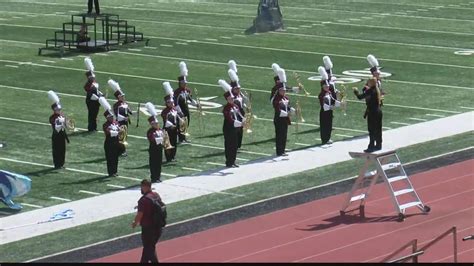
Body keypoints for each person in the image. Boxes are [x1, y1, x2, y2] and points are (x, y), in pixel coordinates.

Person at [132, 179, 165, 263]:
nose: (141, 189)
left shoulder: (143, 200)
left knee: (149, 248)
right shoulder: (156, 195)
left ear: (145, 187)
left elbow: (140, 214)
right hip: (158, 226)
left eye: (141, 187)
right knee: (149, 247)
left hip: (148, 228)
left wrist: (135, 223)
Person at [353, 77, 383, 153]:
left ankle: (371, 146)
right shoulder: (377, 89)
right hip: (378, 111)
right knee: (378, 129)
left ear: (371, 83)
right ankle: (378, 145)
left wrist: (356, 91)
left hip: (372, 112)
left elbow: (360, 97)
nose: (367, 83)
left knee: (371, 130)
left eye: (368, 82)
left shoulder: (370, 90)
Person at [173, 61, 198, 143]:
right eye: (183, 83)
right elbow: (175, 102)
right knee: (181, 124)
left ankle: (184, 138)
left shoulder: (187, 90)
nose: (184, 84)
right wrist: (179, 112)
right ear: (180, 83)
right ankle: (181, 138)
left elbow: (190, 99)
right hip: (180, 109)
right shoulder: (177, 92)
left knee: (186, 123)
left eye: (185, 83)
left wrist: (196, 104)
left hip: (186, 108)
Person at [220, 79, 242, 168]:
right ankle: (229, 162)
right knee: (229, 145)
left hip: (235, 128)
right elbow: (229, 119)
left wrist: (244, 120)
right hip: (228, 128)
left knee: (235, 145)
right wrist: (239, 123)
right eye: (230, 99)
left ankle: (233, 161)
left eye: (232, 98)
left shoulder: (235, 106)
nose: (232, 100)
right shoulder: (226, 108)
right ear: (227, 99)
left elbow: (240, 115)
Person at [272, 68, 294, 157]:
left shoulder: (286, 98)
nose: (284, 92)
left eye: (284, 90)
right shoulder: (276, 99)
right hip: (279, 119)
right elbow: (278, 110)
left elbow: (287, 107)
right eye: (282, 90)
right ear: (279, 91)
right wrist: (287, 113)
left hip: (285, 119)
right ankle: (279, 151)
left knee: (284, 135)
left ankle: (283, 150)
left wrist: (292, 110)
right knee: (279, 135)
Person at [110, 79, 132, 157]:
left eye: (123, 96)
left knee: (125, 136)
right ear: (118, 97)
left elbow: (128, 110)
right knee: (120, 136)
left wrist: (133, 113)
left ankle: (123, 150)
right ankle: (120, 150)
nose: (123, 97)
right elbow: (117, 115)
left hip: (125, 122)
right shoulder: (116, 105)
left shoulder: (125, 103)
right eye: (122, 96)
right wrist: (124, 118)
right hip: (120, 122)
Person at [318, 66, 340, 145]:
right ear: (323, 87)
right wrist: (332, 106)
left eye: (328, 86)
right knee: (324, 125)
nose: (327, 87)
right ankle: (324, 139)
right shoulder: (321, 95)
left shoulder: (329, 92)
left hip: (329, 111)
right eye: (326, 86)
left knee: (329, 125)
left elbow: (333, 100)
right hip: (324, 112)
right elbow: (325, 106)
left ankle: (328, 138)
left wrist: (338, 102)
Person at [100, 97, 121, 177]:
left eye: (112, 116)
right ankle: (110, 172)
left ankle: (115, 171)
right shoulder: (105, 124)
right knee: (110, 158)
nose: (112, 118)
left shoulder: (116, 123)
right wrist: (117, 131)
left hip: (116, 142)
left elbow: (120, 130)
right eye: (110, 117)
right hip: (109, 142)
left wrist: (119, 131)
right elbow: (109, 132)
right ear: (107, 118)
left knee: (115, 158)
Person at [48, 91, 69, 169]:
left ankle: (62, 164)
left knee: (62, 150)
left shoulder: (61, 116)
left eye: (59, 110)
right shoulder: (52, 117)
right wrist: (60, 121)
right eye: (58, 110)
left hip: (62, 135)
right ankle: (57, 164)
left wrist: (65, 122)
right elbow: (56, 127)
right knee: (57, 150)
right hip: (56, 135)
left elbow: (66, 125)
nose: (59, 111)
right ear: (54, 110)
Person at [161, 82, 181, 163]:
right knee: (168, 144)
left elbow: (179, 116)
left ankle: (173, 156)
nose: (172, 104)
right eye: (170, 102)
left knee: (174, 143)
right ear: (167, 103)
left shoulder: (174, 109)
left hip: (174, 129)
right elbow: (165, 120)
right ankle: (168, 157)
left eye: (172, 102)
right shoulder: (165, 111)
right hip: (168, 129)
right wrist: (172, 125)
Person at [228, 69, 247, 150]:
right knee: (236, 130)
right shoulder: (232, 97)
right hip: (235, 115)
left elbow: (243, 102)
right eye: (236, 89)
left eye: (239, 88)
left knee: (241, 130)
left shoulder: (240, 95)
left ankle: (239, 145)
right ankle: (235, 146)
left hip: (241, 113)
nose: (238, 90)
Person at [145, 102, 164, 183]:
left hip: (159, 148)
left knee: (159, 162)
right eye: (155, 123)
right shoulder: (150, 131)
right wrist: (163, 138)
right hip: (153, 148)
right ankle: (154, 177)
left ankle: (158, 176)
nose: (157, 124)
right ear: (152, 124)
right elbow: (153, 139)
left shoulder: (160, 130)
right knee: (153, 163)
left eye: (157, 123)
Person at [84, 58, 102, 132]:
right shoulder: (88, 85)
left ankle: (94, 127)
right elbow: (90, 93)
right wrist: (98, 98)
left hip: (96, 101)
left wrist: (101, 95)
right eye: (92, 78)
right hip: (91, 101)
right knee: (91, 114)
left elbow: (97, 91)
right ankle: (91, 127)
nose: (93, 78)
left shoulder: (94, 83)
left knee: (95, 114)